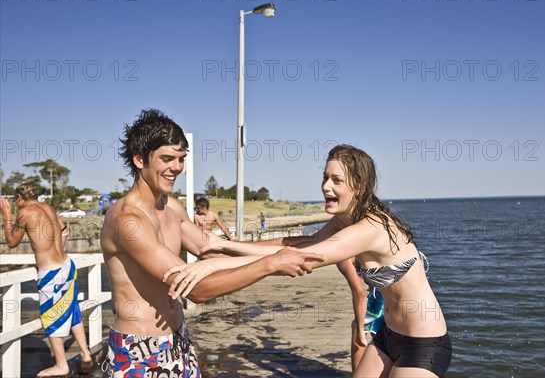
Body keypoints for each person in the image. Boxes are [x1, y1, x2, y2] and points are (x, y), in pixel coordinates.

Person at [166, 144, 452, 377]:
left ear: (361, 185)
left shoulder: (370, 227)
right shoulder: (343, 221)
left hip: (423, 343)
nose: (326, 186)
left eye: (337, 180)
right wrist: (225, 246)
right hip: (388, 336)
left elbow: (302, 258)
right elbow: (296, 244)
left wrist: (215, 263)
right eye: (325, 177)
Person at [100, 109, 323, 378]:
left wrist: (312, 242)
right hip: (140, 351)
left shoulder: (171, 207)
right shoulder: (127, 221)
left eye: (181, 159)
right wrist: (270, 264)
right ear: (139, 159)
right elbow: (196, 289)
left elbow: (214, 247)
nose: (176, 168)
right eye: (167, 159)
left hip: (179, 341)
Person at [0, 182, 92, 377]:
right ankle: (85, 353)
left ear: (19, 198)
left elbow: (11, 242)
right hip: (66, 265)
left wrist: (6, 215)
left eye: (15, 202)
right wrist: (57, 250)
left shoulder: (25, 213)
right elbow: (64, 230)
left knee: (51, 316)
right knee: (71, 310)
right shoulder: (48, 208)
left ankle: (61, 365)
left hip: (51, 273)